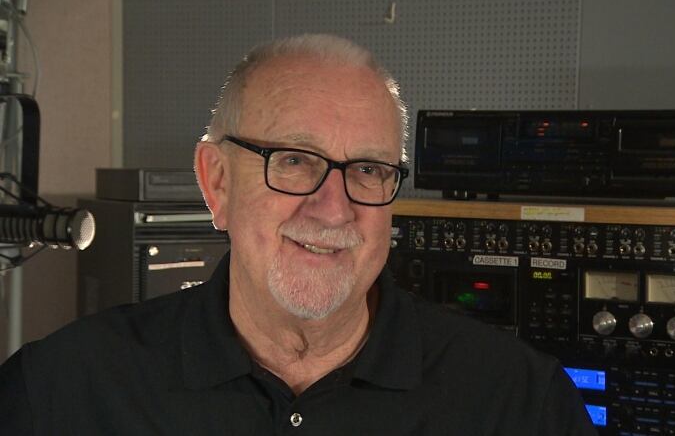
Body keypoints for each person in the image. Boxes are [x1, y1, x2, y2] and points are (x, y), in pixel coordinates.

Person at [0, 34, 597, 435]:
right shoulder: (61, 392)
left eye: (368, 169)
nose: (333, 209)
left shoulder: (521, 403)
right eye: (292, 160)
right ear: (217, 183)